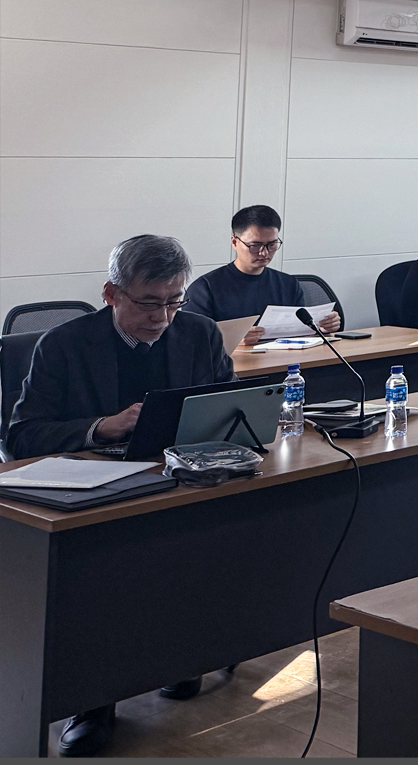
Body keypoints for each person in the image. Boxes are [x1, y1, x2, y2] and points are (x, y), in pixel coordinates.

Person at [4, 235, 237, 756]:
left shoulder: (199, 333)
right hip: (94, 495)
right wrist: (100, 427)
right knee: (101, 572)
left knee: (213, 538)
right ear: (111, 293)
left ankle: (180, 655)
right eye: (148, 303)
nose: (162, 317)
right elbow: (21, 437)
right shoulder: (63, 345)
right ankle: (92, 701)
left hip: (176, 484)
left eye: (173, 301)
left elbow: (229, 406)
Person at [182, 205, 342, 344]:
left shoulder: (288, 284)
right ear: (235, 242)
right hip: (232, 365)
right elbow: (192, 339)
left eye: (272, 244)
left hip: (284, 361)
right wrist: (231, 339)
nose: (264, 252)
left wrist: (321, 328)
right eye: (255, 245)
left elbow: (299, 333)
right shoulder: (205, 288)